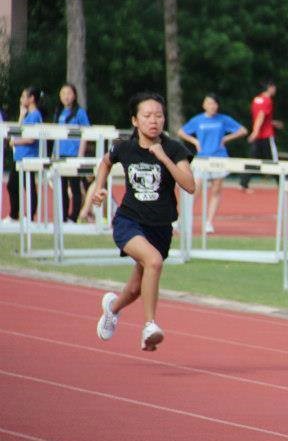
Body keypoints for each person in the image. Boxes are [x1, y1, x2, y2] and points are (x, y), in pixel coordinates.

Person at [91, 93, 195, 351]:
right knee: (154, 261)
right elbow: (105, 163)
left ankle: (112, 308)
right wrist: (99, 188)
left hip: (160, 227)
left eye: (159, 115)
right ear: (135, 120)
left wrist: (163, 158)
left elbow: (189, 185)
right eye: (147, 116)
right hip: (129, 221)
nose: (154, 121)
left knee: (137, 287)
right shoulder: (124, 147)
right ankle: (149, 325)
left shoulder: (174, 149)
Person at [177, 93, 247, 232]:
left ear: (217, 105)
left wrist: (226, 139)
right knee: (194, 190)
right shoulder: (198, 120)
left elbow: (243, 130)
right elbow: (181, 131)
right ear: (204, 105)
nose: (212, 106)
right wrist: (194, 141)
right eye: (209, 103)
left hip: (219, 158)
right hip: (202, 158)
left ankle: (208, 222)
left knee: (216, 190)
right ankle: (182, 220)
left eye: (214, 103)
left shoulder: (223, 119)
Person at [53, 83, 92, 222]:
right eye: (63, 93)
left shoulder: (79, 112)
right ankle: (62, 216)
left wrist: (80, 154)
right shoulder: (59, 112)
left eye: (69, 93)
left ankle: (74, 216)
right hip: (60, 153)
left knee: (75, 187)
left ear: (74, 95)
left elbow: (87, 132)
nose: (66, 97)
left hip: (74, 154)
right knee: (62, 187)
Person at [5, 86, 44, 222]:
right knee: (12, 185)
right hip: (19, 157)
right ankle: (14, 214)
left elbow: (32, 138)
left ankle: (29, 215)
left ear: (31, 98)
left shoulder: (35, 115)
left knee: (29, 186)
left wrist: (16, 142)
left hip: (29, 156)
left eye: (23, 96)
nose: (21, 99)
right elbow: (17, 131)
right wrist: (21, 115)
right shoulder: (27, 115)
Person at [239, 80, 282, 192]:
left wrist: (272, 123)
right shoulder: (268, 100)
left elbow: (260, 116)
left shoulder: (256, 100)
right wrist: (255, 132)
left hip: (259, 136)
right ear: (270, 87)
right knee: (273, 160)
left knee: (253, 159)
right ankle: (282, 185)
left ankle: (244, 183)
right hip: (266, 135)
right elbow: (261, 116)